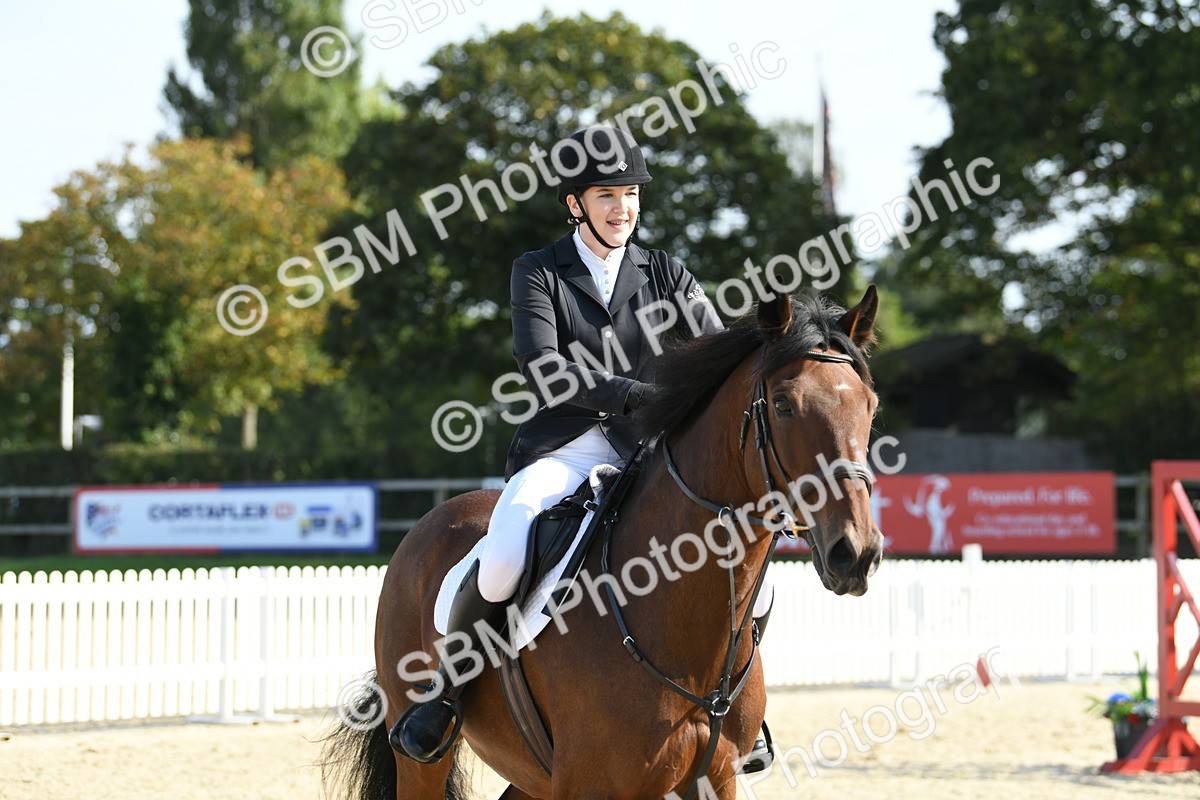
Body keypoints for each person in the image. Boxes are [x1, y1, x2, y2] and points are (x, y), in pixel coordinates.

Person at [391, 126, 772, 770]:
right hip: (565, 445)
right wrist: (630, 395)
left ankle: (738, 711)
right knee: (507, 546)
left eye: (630, 194)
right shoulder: (538, 272)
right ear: (576, 203)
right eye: (607, 195)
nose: (622, 208)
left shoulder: (666, 273)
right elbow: (542, 369)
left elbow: (716, 356)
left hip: (649, 451)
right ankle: (446, 695)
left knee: (754, 582)